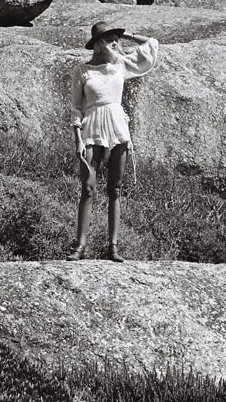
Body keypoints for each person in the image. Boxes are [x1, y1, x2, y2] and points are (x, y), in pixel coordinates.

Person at [67, 21, 159, 262]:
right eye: (109, 40)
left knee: (114, 189)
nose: (115, 43)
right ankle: (80, 246)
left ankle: (113, 247)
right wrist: (77, 139)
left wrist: (124, 34)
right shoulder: (82, 70)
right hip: (91, 127)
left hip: (118, 127)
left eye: (116, 40)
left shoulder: (120, 65)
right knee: (88, 188)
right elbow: (76, 107)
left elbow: (151, 44)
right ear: (98, 44)